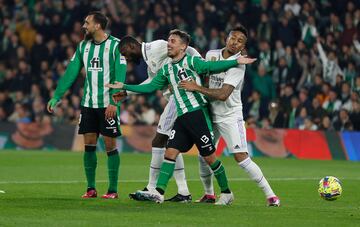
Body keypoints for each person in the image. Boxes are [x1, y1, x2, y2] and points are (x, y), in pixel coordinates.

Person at [106, 29, 256, 205]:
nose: (168, 44)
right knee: (170, 152)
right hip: (182, 117)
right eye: (169, 40)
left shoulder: (192, 61)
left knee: (209, 157)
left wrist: (235, 61)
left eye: (172, 41)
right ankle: (158, 192)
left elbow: (211, 67)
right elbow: (151, 86)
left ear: (183, 46)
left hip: (197, 115)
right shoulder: (167, 68)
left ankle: (226, 192)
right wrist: (124, 86)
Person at [179, 25, 280, 206]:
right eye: (233, 38)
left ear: (243, 47)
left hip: (230, 116)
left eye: (240, 41)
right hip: (211, 114)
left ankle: (271, 196)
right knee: (205, 153)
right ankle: (209, 194)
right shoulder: (211, 54)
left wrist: (196, 87)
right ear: (226, 38)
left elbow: (223, 94)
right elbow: (205, 76)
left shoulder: (239, 64)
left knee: (241, 157)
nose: (235, 42)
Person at [47, 11, 126, 199]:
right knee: (89, 145)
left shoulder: (116, 46)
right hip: (88, 104)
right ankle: (91, 188)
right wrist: (57, 96)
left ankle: (112, 190)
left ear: (98, 26)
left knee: (110, 146)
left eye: (87, 22)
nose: (84, 26)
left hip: (107, 104)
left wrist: (115, 102)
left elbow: (121, 76)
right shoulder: (83, 46)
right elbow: (71, 72)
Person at [113, 35, 201, 202]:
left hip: (181, 97)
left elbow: (187, 49)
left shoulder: (158, 47)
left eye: (125, 53)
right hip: (175, 97)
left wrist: (198, 65)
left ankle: (152, 187)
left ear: (132, 46)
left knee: (158, 140)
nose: (126, 58)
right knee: (172, 143)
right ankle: (183, 192)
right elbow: (152, 82)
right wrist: (127, 93)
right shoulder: (150, 61)